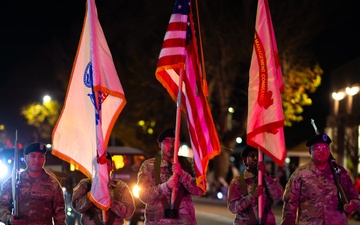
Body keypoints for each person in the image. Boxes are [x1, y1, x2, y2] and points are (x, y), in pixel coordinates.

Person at [281, 133, 360, 225]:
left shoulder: (340, 172)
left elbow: (355, 197)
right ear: (310, 152)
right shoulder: (300, 174)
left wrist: (353, 205)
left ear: (329, 150)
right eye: (317, 148)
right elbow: (290, 203)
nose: (321, 151)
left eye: (324, 148)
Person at [137, 128, 203, 225]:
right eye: (166, 142)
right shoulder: (149, 165)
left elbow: (200, 190)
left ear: (179, 144)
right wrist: (165, 186)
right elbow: (143, 196)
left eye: (174, 141)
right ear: (160, 145)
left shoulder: (189, 163)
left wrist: (183, 174)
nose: (171, 145)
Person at [0, 142, 67, 225]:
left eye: (41, 156)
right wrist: (9, 219)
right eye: (32, 156)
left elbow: (60, 215)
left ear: (44, 159)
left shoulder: (53, 184)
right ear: (25, 158)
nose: (37, 160)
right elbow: (2, 205)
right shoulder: (13, 181)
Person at [71, 151, 135, 225]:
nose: (103, 168)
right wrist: (92, 196)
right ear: (94, 167)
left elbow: (129, 212)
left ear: (112, 166)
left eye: (106, 164)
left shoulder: (120, 187)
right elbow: (76, 206)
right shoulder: (86, 184)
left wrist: (109, 201)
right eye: (99, 165)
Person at [227, 145, 284, 225]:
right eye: (252, 156)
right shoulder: (237, 182)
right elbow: (232, 208)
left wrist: (265, 176)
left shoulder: (271, 179)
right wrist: (251, 197)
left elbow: (278, 196)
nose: (255, 158)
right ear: (245, 160)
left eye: (258, 156)